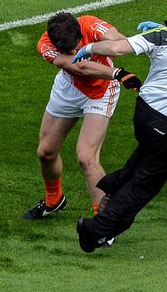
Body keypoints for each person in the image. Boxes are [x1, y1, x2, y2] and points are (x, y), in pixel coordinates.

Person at [74, 0, 167, 252]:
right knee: (143, 187)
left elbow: (117, 48)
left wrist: (89, 47)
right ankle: (93, 231)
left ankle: (110, 188)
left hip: (146, 115)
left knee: (145, 158)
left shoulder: (161, 36)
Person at [23, 12, 141, 220]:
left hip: (101, 93)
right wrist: (119, 74)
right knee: (46, 151)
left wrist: (95, 47)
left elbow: (121, 42)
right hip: (69, 88)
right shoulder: (46, 46)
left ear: (79, 31)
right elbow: (80, 67)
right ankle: (54, 200)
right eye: (68, 50)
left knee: (86, 157)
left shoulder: (90, 25)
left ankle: (105, 221)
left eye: (77, 45)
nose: (74, 51)